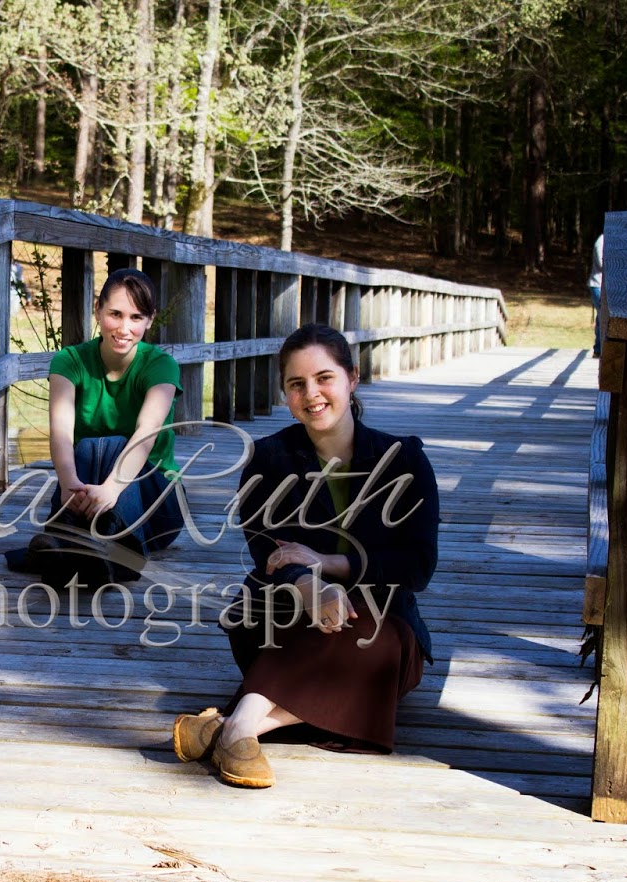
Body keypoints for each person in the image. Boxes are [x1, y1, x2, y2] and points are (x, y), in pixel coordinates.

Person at [171, 323, 439, 788]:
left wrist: (331, 565)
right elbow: (267, 551)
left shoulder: (404, 460)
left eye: (324, 378)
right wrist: (307, 583)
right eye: (297, 384)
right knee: (319, 629)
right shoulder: (269, 459)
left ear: (352, 377)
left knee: (376, 638)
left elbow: (417, 567)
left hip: (385, 628)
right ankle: (241, 729)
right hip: (286, 624)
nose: (311, 394)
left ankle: (234, 727)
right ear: (285, 392)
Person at [8, 268, 185, 584]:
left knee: (113, 444)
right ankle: (89, 548)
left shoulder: (161, 366)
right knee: (88, 448)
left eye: (136, 317)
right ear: (98, 310)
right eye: (115, 314)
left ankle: (87, 540)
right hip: (81, 496)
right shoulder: (70, 361)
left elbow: (146, 433)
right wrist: (68, 484)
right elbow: (61, 431)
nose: (124, 328)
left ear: (150, 320)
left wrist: (112, 489)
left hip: (155, 503)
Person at [589, 232, 604, 357]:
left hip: (602, 285)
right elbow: (601, 263)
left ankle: (599, 348)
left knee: (601, 317)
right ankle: (599, 348)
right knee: (602, 316)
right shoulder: (602, 241)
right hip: (597, 284)